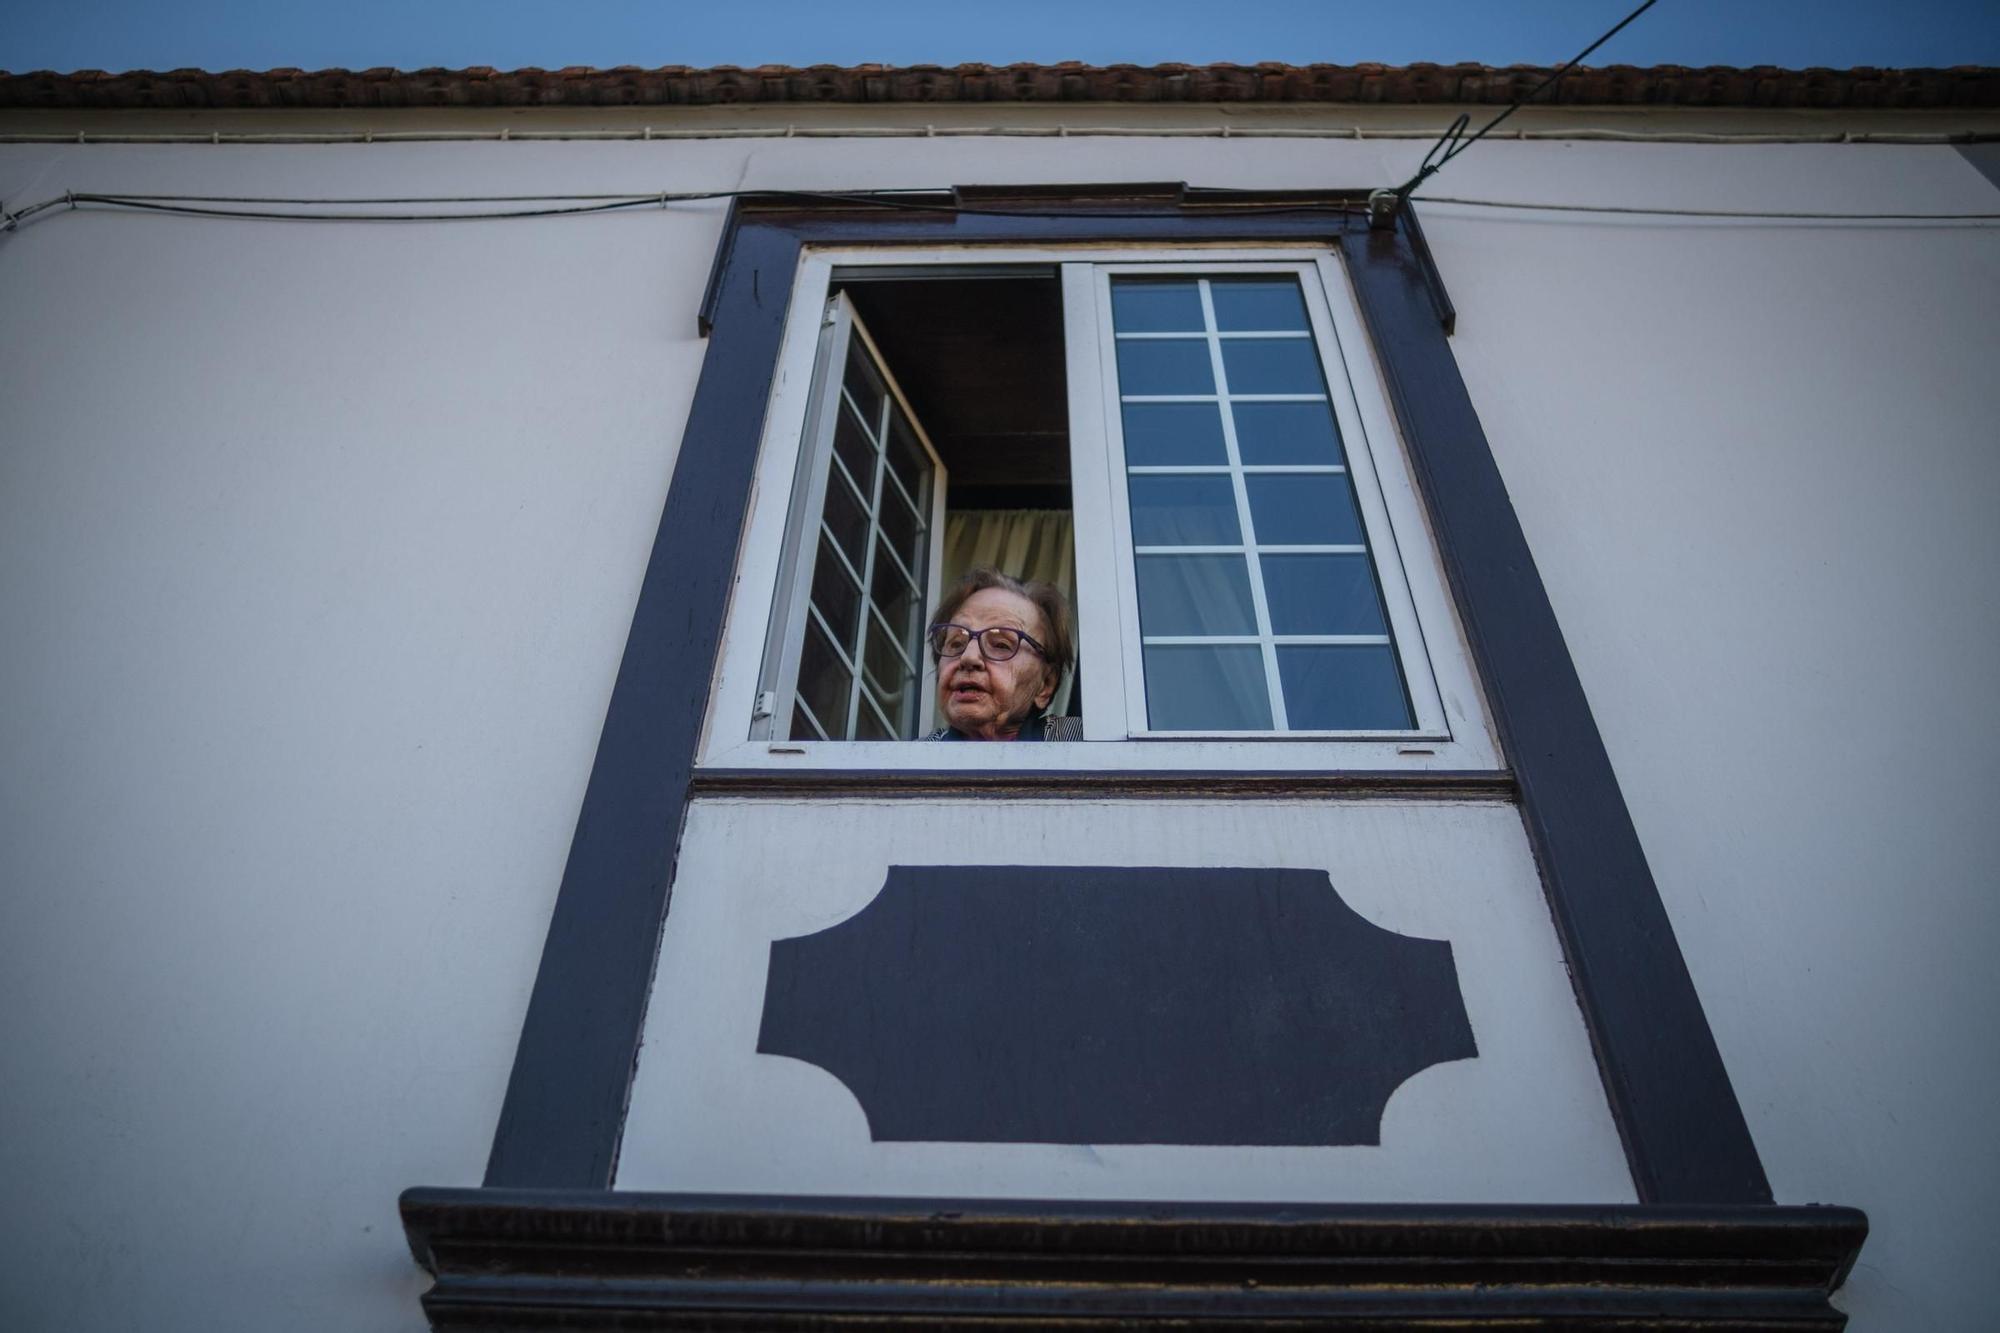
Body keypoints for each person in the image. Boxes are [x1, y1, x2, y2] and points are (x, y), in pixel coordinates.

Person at [923, 567, 1082, 742]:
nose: (968, 657)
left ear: (1045, 685)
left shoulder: (1085, 745)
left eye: (1001, 645)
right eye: (956, 644)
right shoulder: (910, 761)